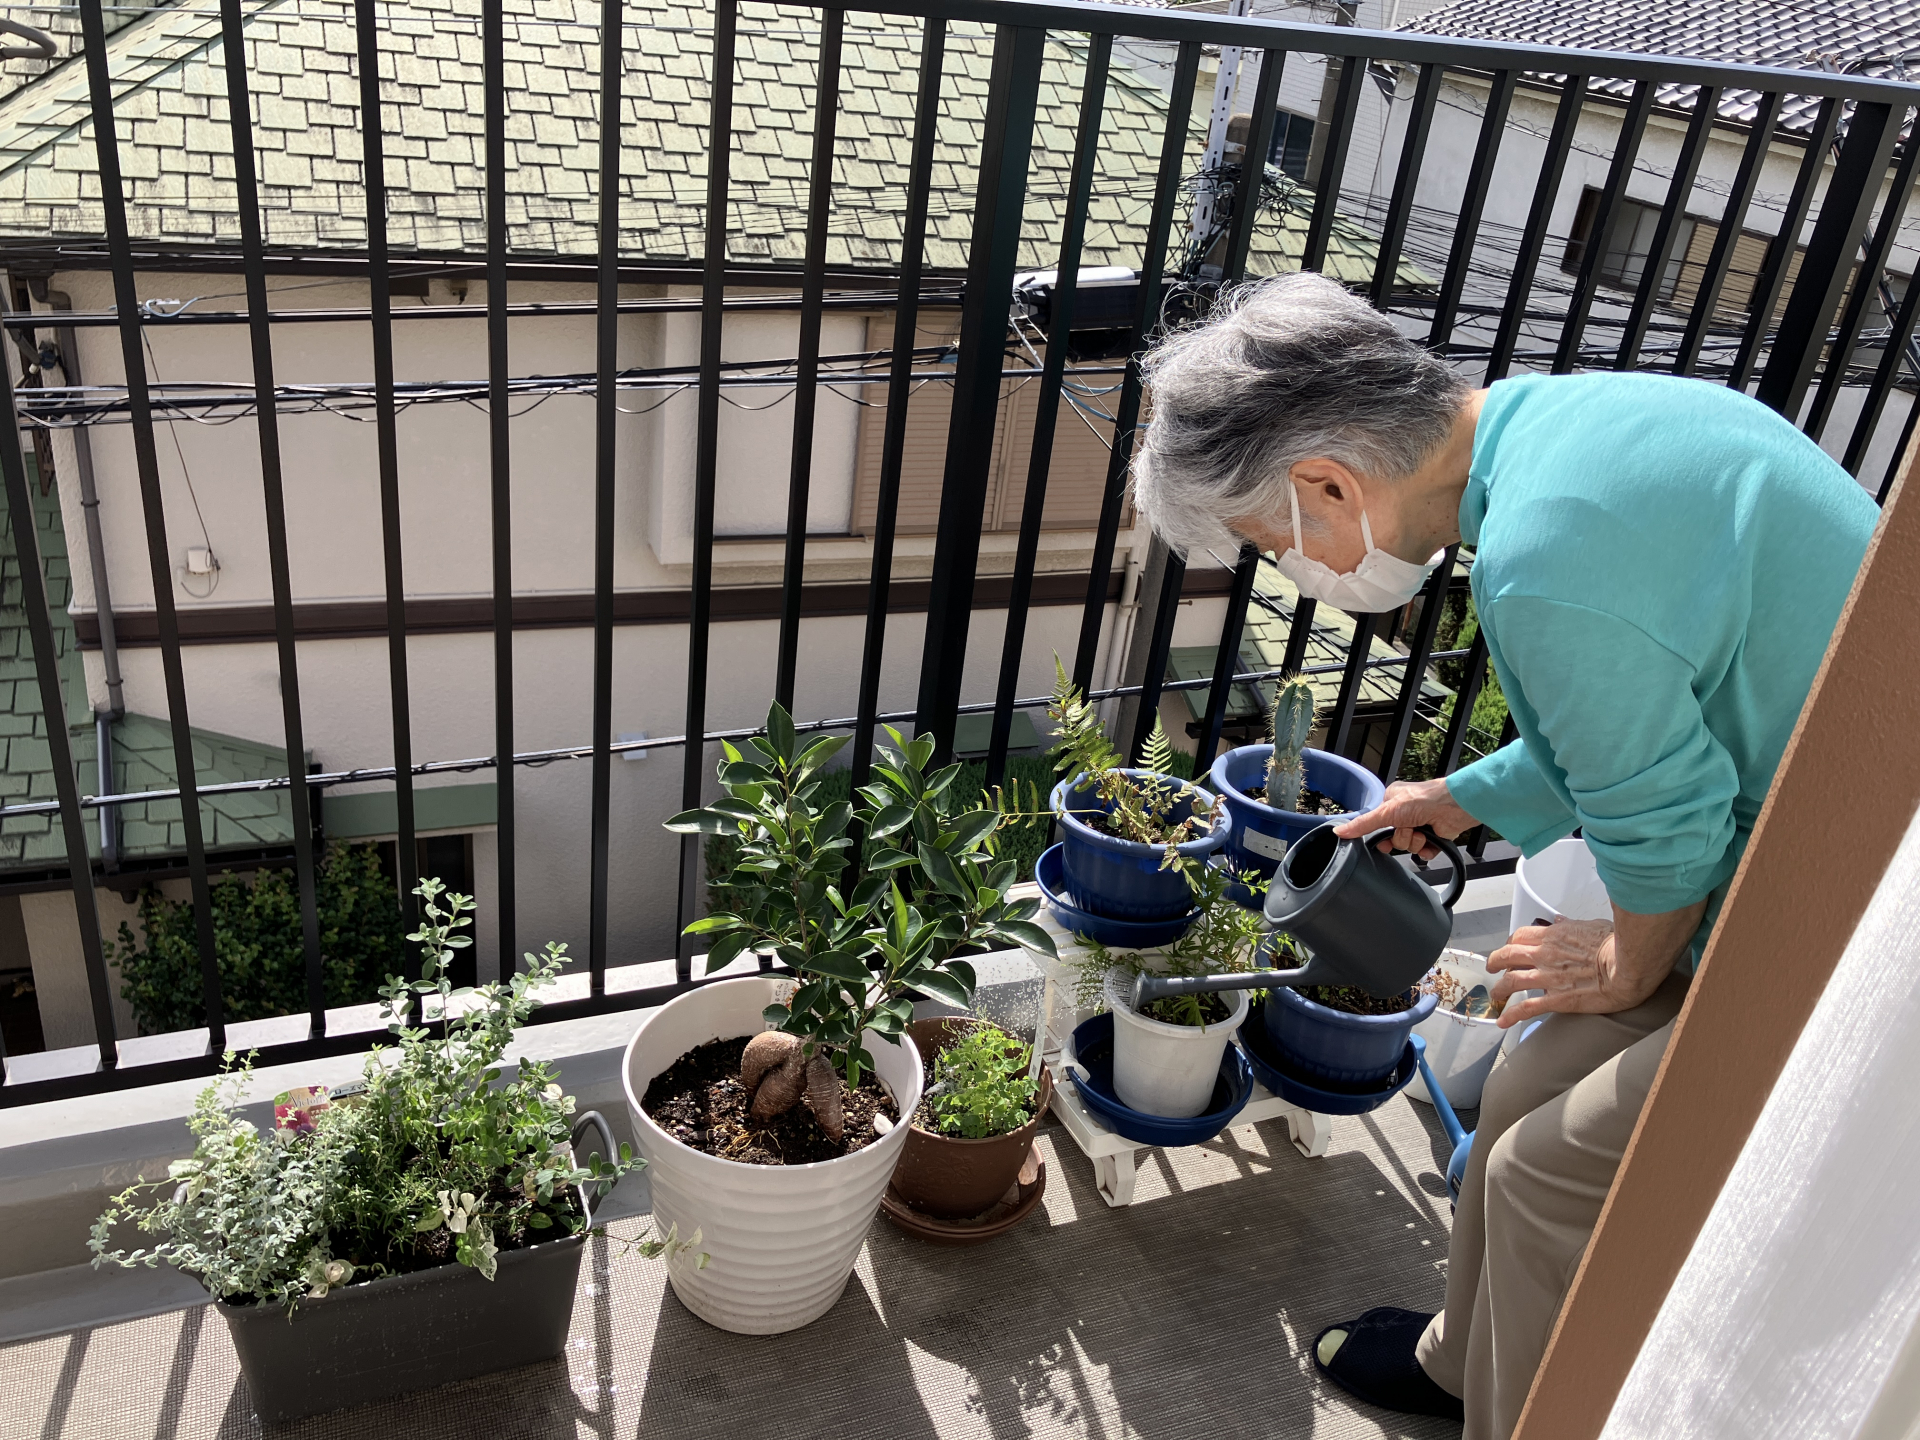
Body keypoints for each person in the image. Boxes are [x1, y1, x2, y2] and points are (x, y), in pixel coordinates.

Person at [1130, 272, 1879, 1440]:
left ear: (1329, 483)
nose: (1293, 568)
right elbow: (1650, 715)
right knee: (1525, 1086)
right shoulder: (1562, 427)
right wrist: (1462, 799)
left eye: (1275, 542)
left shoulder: (1542, 556)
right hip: (1794, 869)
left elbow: (1666, 818)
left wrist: (1627, 964)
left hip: (1861, 945)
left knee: (1539, 1180)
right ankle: (1460, 1367)